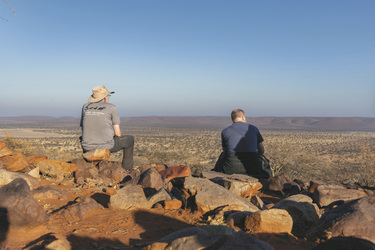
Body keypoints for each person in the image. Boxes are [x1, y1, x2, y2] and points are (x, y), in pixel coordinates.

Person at [80, 85, 134, 170]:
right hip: (105, 146)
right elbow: (118, 133)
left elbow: (83, 127)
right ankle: (128, 169)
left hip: (87, 146)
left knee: (83, 137)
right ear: (105, 97)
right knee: (130, 139)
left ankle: (89, 166)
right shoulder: (111, 107)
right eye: (108, 96)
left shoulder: (85, 106)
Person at [214, 109, 270, 178]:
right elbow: (261, 151)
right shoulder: (254, 129)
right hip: (253, 168)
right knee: (264, 160)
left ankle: (215, 175)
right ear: (243, 117)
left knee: (222, 155)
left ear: (232, 118)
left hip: (230, 169)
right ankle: (268, 179)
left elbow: (224, 150)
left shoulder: (225, 131)